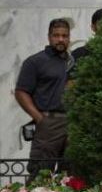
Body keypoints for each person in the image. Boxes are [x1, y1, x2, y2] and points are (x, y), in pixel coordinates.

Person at [14, 18, 75, 179]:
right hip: (49, 123)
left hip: (73, 124)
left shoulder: (72, 62)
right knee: (40, 174)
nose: (60, 39)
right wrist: (39, 118)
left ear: (69, 38)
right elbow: (21, 92)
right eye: (56, 35)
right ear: (49, 37)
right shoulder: (35, 61)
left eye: (65, 36)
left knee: (71, 175)